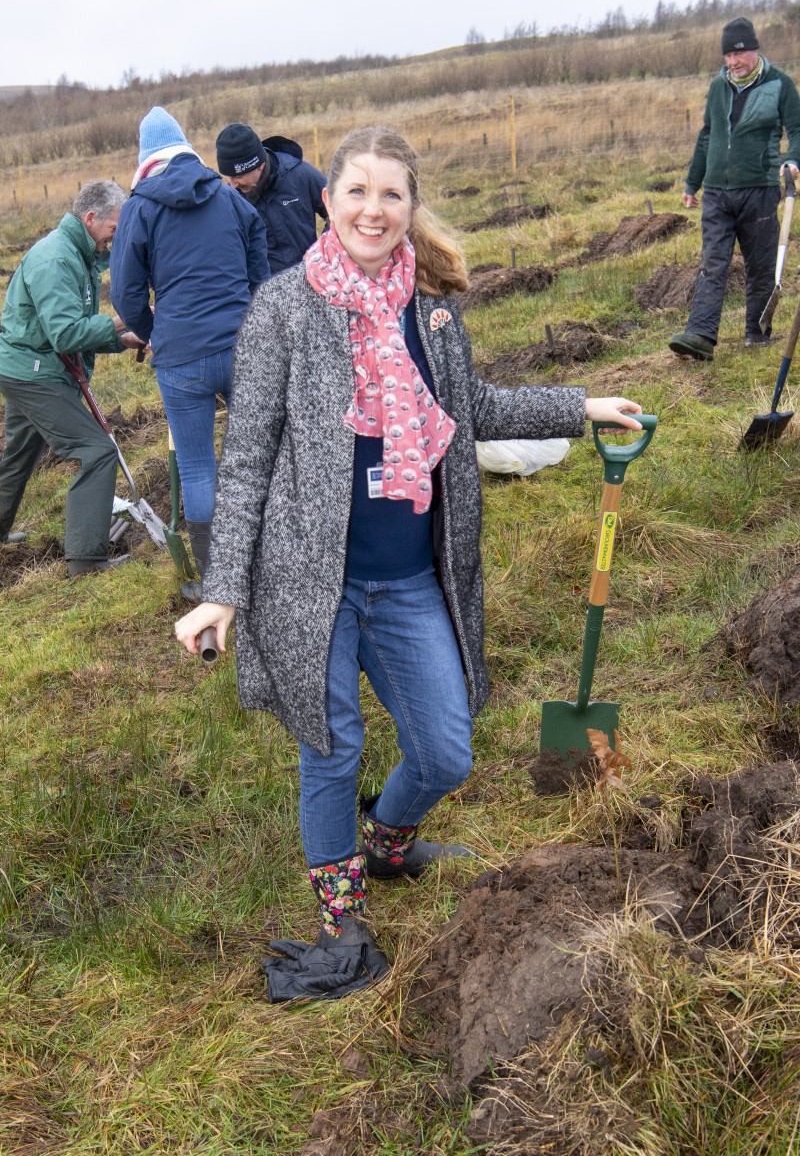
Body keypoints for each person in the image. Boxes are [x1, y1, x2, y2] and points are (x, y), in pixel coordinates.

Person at [175, 126, 643, 1001]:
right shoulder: (283, 308)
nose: (373, 209)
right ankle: (340, 925)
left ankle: (388, 844)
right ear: (328, 199)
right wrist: (221, 593)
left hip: (405, 576)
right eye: (357, 190)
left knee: (445, 751)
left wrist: (580, 405)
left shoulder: (429, 309)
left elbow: (474, 406)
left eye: (392, 194)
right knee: (332, 746)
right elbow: (244, 462)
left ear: (410, 208)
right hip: (307, 581)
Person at [110, 107, 271, 599]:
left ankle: (217, 581)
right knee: (257, 451)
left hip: (181, 356)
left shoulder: (139, 207)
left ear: (145, 159)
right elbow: (257, 246)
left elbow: (125, 292)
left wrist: (151, 329)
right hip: (243, 343)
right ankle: (272, 559)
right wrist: (255, 306)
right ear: (186, 147)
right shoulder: (226, 195)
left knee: (200, 465)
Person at [0, 181, 147, 576]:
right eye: (115, 228)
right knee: (96, 451)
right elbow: (65, 334)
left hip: (29, 366)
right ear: (91, 218)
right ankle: (86, 558)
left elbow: (72, 330)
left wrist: (121, 338)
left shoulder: (78, 254)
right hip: (35, 374)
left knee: (20, 455)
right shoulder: (56, 260)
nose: (117, 237)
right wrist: (123, 319)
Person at [669, 17, 800, 361]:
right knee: (713, 263)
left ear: (755, 50)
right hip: (716, 192)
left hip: (758, 189)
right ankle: (700, 335)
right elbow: (707, 135)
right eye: (727, 55)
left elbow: (797, 130)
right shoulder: (717, 86)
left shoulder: (780, 84)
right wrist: (692, 182)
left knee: (760, 266)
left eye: (738, 54)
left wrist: (793, 159)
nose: (733, 62)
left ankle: (757, 332)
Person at [215, 123, 327, 273]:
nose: (233, 184)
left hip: (313, 280)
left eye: (238, 176)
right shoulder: (230, 202)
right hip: (268, 292)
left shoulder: (300, 175)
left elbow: (341, 211)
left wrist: (322, 254)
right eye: (228, 176)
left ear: (259, 165)